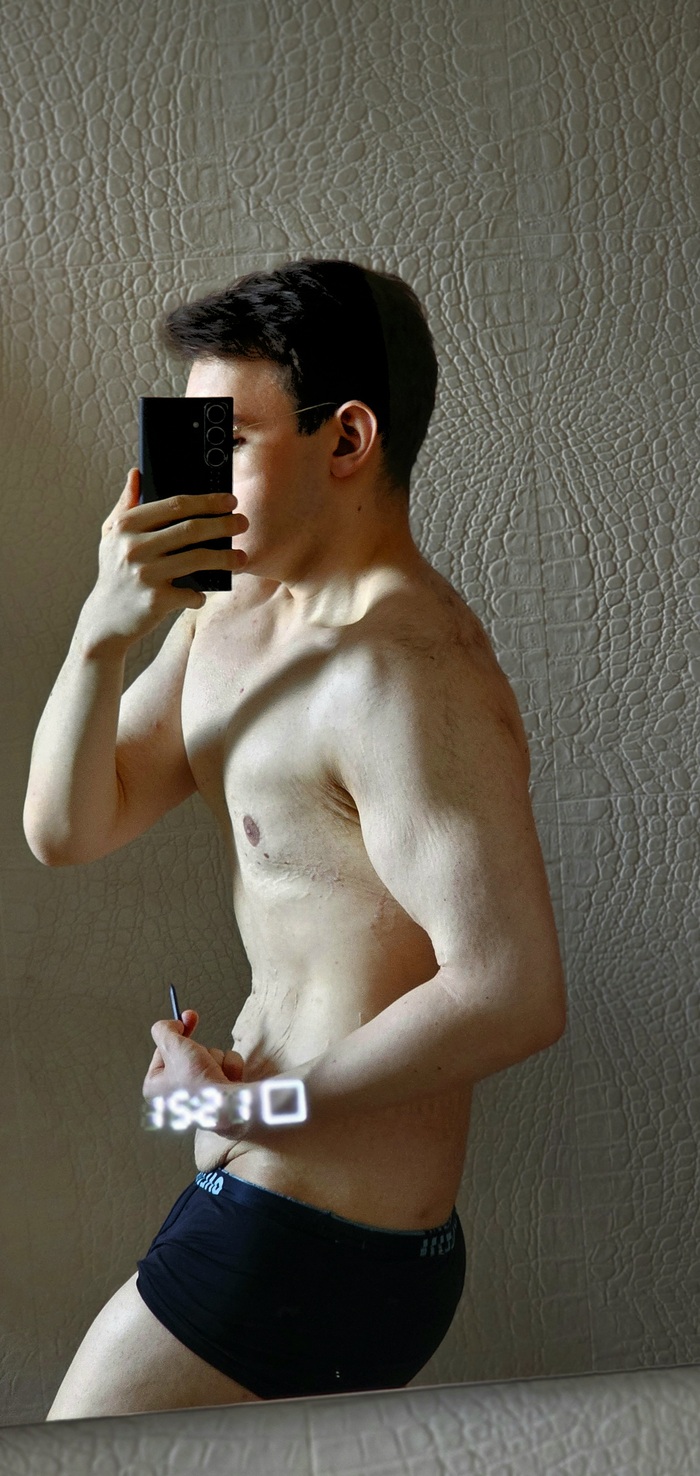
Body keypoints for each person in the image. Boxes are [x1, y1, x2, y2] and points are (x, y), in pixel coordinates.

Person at [23, 258, 566, 1418]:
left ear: (347, 439)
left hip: (322, 1243)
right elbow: (67, 828)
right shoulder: (228, 614)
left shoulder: (402, 673)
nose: (192, 474)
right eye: (186, 436)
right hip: (267, 1201)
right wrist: (101, 635)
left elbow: (513, 991)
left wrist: (254, 1110)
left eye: (226, 440)